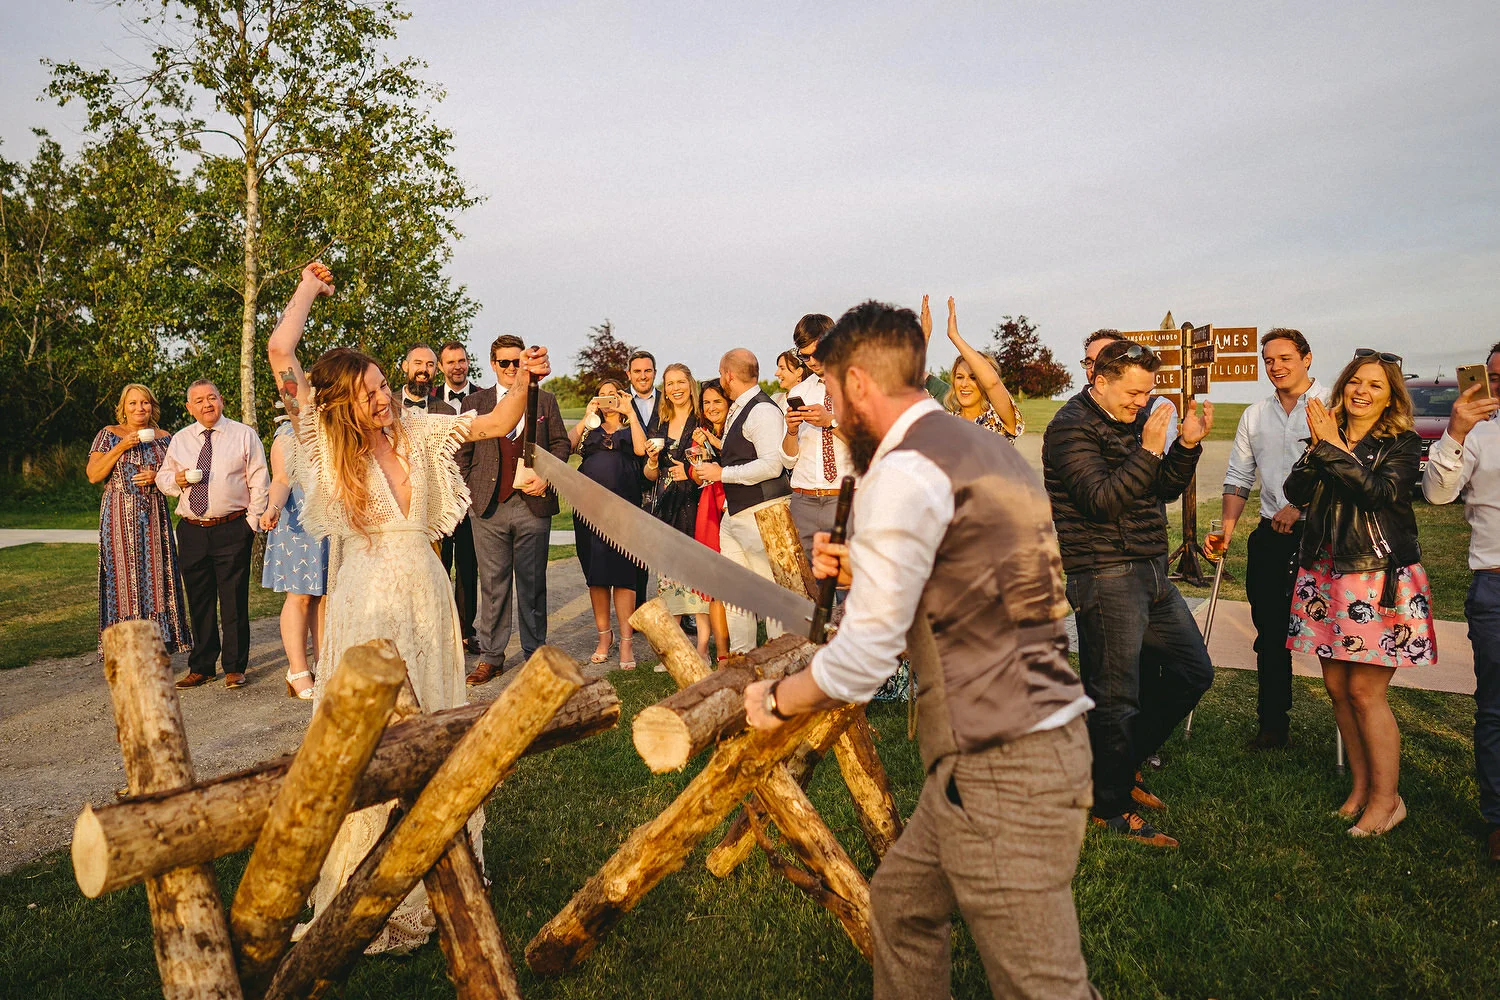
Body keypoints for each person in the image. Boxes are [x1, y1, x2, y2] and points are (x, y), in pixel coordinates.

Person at [743, 300, 1099, 1000]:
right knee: (901, 909)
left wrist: (778, 700)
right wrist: (868, 568)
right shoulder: (979, 447)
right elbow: (973, 575)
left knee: (1045, 988)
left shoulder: (900, 472)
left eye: (833, 393)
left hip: (999, 766)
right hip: (1013, 748)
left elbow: (865, 659)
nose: (833, 412)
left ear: (858, 385)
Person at [267, 262, 548, 953]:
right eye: (370, 393)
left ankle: (438, 867)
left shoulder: (421, 429)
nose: (385, 398)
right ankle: (364, 874)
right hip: (365, 599)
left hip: (425, 592)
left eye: (385, 386)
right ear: (340, 402)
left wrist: (526, 379)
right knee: (373, 738)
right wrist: (309, 287)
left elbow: (500, 421)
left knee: (437, 720)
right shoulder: (319, 442)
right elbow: (280, 352)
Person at [1042, 339, 1215, 848]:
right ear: (1101, 379)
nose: (1141, 403)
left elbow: (1158, 488)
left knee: (1193, 672)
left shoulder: (1136, 421)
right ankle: (1110, 806)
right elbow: (1101, 501)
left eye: (1148, 393)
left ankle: (1117, 767)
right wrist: (1150, 448)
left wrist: (1185, 445)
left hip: (1151, 568)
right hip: (1105, 573)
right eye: (1134, 393)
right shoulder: (1069, 427)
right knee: (1115, 696)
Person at [1285, 348, 1434, 837]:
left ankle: (1389, 801)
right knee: (1336, 689)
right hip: (1326, 573)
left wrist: (1329, 447)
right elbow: (1295, 491)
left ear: (1390, 396)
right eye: (1355, 382)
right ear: (1343, 386)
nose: (1362, 392)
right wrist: (1320, 447)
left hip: (1374, 576)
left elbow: (1379, 493)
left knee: (1367, 693)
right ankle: (1362, 787)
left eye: (1375, 385)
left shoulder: (1402, 443)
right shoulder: (1330, 435)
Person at [1218, 328, 1328, 748]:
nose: (1276, 366)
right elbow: (1239, 476)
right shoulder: (1254, 414)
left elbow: (1343, 474)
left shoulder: (1331, 405)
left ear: (1307, 358)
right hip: (1270, 536)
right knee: (1270, 632)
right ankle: (1272, 726)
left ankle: (1350, 727)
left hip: (1322, 534)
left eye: (1285, 358)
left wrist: (1300, 506)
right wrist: (1227, 530)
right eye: (1269, 360)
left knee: (1330, 632)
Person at [1422, 342, 1500, 862]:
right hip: (1495, 583)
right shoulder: (1476, 434)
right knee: (1495, 709)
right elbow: (1437, 493)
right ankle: (1499, 820)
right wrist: (1456, 431)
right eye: (1495, 377)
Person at [458, 334, 572, 685]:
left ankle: (536, 654)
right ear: (493, 364)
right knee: (492, 584)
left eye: (516, 362)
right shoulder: (474, 402)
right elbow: (461, 455)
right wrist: (471, 498)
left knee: (532, 582)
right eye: (504, 362)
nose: (510, 368)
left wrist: (548, 476)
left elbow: (561, 443)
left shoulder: (546, 400)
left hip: (533, 505)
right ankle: (491, 656)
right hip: (489, 507)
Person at [155, 380, 269, 690]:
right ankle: (202, 666)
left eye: (211, 398)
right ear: (189, 408)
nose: (207, 404)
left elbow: (260, 479)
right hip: (192, 530)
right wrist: (176, 480)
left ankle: (234, 667)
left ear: (221, 401)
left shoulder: (244, 435)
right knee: (199, 600)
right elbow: (164, 479)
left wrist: (251, 523)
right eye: (199, 400)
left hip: (232, 527)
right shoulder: (180, 440)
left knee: (233, 600)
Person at [692, 349, 793, 653]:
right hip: (734, 515)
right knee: (736, 596)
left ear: (728, 375)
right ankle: (741, 660)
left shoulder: (762, 411)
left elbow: (772, 465)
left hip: (763, 514)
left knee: (772, 595)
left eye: (721, 373)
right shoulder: (741, 407)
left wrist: (721, 472)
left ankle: (779, 662)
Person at [88, 383, 191, 656]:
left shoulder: (166, 438)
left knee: (158, 577)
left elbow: (176, 477)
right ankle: (125, 646)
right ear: (123, 408)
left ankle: (158, 646)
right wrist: (122, 445)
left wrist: (156, 477)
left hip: (155, 514)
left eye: (144, 403)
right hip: (119, 515)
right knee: (122, 578)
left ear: (152, 406)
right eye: (132, 403)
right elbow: (94, 475)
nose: (139, 408)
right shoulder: (108, 435)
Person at [569, 376, 649, 669]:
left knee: (625, 577)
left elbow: (641, 451)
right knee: (597, 577)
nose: (606, 399)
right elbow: (566, 446)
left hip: (625, 511)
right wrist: (585, 416)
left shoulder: (631, 428)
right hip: (589, 512)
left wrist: (631, 414)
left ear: (622, 397)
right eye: (601, 395)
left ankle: (627, 642)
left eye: (612, 394)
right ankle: (605, 637)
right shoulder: (590, 429)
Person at [644, 363, 712, 660]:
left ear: (690, 384)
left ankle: (703, 649)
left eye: (680, 382)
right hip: (666, 508)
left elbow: (711, 462)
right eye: (670, 383)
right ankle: (675, 651)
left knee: (697, 581)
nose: (675, 388)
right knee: (668, 581)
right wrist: (650, 462)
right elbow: (649, 475)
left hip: (695, 506)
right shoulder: (659, 423)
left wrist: (689, 469)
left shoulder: (701, 421)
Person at [259, 417, 329, 699]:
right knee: (300, 596)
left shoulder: (338, 426)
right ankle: (297, 669)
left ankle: (324, 665)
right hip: (299, 524)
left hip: (332, 522)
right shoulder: (288, 433)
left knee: (325, 596)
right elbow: (281, 479)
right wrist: (273, 507)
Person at [781, 314, 854, 562]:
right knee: (808, 591)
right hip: (804, 499)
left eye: (816, 352)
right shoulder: (799, 391)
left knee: (848, 587)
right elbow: (789, 460)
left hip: (845, 499)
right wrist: (791, 431)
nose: (811, 361)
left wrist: (831, 422)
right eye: (804, 356)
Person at [428, 342, 477, 649]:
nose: (457, 366)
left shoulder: (484, 397)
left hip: (473, 497)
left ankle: (466, 630)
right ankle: (439, 631)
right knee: (438, 565)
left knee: (469, 568)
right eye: (450, 362)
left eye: (462, 360)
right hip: (438, 496)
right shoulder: (429, 400)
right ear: (442, 367)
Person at [692, 379, 734, 659]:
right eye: (706, 402)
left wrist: (712, 442)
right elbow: (696, 473)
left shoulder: (735, 430)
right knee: (717, 586)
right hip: (711, 508)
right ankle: (723, 655)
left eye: (717, 401)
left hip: (735, 508)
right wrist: (697, 461)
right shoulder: (702, 433)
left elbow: (734, 457)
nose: (711, 407)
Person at [941, 297, 1022, 440]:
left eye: (973, 378)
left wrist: (954, 336)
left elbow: (993, 383)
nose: (964, 384)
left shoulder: (997, 420)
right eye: (960, 377)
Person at [1083, 328, 1177, 443]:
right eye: (1089, 362)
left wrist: (1186, 447)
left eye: (1104, 359)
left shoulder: (1154, 408)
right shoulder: (1075, 422)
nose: (1094, 368)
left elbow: (1165, 458)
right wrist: (1150, 451)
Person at [399, 344, 451, 413]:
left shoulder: (448, 412)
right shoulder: (386, 403)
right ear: (405, 366)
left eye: (430, 365)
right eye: (418, 363)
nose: (424, 369)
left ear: (436, 371)